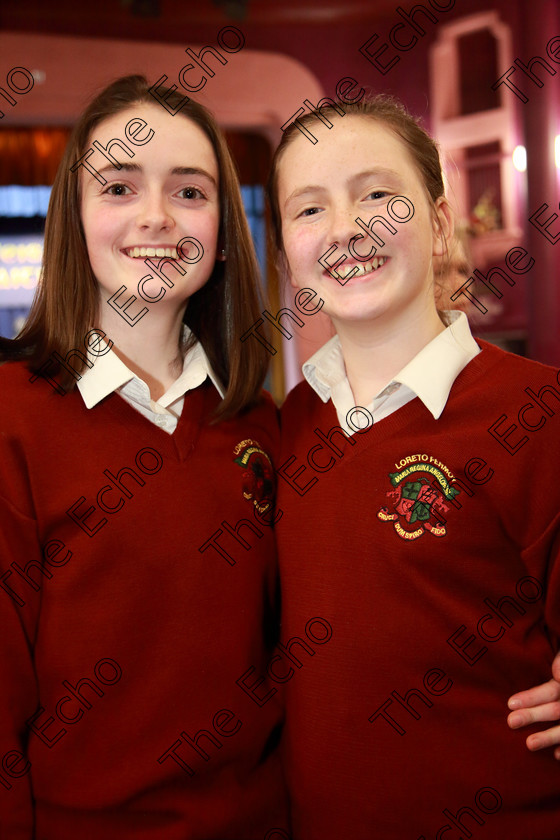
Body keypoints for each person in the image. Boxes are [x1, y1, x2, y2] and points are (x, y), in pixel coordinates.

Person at [0, 75, 289, 839]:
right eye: (120, 186)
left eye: (189, 192)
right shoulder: (12, 420)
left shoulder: (261, 422)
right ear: (75, 217)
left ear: (224, 233)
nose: (156, 217)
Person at [268, 95, 560, 838]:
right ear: (286, 256)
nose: (345, 228)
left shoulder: (539, 413)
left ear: (435, 225)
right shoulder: (285, 428)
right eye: (309, 209)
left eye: (375, 195)